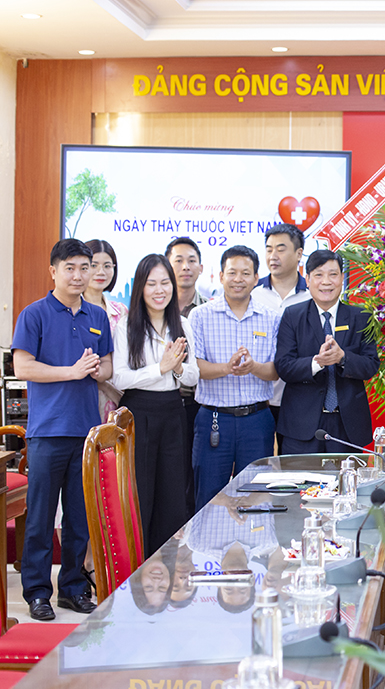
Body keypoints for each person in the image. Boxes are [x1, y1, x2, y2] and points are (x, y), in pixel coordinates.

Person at [12, 238, 112, 620]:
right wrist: (70, 372)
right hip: (47, 432)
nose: (78, 275)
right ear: (53, 271)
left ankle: (73, 589)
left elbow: (107, 367)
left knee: (79, 519)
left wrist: (96, 370)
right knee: (40, 518)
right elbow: (23, 367)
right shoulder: (34, 314)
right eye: (70, 268)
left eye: (85, 268)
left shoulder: (97, 315)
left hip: (86, 433)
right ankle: (38, 592)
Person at [112, 254, 200, 557]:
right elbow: (120, 377)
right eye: (151, 284)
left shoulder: (183, 324)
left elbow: (194, 375)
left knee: (172, 495)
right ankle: (138, 568)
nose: (159, 290)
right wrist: (161, 368)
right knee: (140, 494)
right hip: (137, 413)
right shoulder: (126, 325)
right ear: (140, 287)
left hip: (173, 412)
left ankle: (166, 568)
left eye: (165, 283)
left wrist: (178, 368)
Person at [187, 245, 280, 510]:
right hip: (214, 420)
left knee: (256, 499)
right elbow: (195, 368)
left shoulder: (271, 318)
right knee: (209, 497)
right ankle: (207, 539)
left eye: (245, 273)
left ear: (256, 278)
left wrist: (253, 367)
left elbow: (276, 371)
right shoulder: (200, 316)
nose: (238, 279)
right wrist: (227, 368)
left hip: (257, 420)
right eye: (232, 272)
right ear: (220, 276)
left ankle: (252, 539)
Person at [275, 250, 381, 454]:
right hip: (301, 425)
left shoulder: (361, 317)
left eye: (333, 274)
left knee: (348, 475)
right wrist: (317, 363)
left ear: (342, 279)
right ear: (307, 279)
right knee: (299, 475)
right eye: (318, 275)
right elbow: (283, 366)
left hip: (347, 425)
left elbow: (370, 365)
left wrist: (343, 358)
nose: (326, 282)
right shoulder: (292, 316)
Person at [251, 223, 310, 452]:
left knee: (293, 463)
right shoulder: (253, 295)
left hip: (300, 399)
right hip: (260, 400)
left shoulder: (312, 296)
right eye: (269, 249)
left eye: (281, 249)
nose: (272, 256)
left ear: (299, 253)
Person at [166, 236, 209, 513]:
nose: (185, 267)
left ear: (201, 268)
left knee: (194, 472)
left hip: (197, 403)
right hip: (162, 402)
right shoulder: (155, 307)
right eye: (178, 260)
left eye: (192, 261)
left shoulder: (208, 310)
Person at [84, 239, 128, 422]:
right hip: (83, 398)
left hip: (118, 401)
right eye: (94, 265)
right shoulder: (71, 311)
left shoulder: (122, 311)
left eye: (107, 266)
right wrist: (106, 387)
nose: (101, 272)